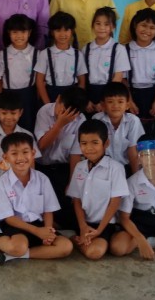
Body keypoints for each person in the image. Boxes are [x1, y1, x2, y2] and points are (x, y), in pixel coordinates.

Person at [0, 132, 73, 265]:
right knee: (18, 246)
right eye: (14, 153)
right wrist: (38, 232)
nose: (20, 158)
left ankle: (17, 255)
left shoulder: (43, 179)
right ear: (5, 157)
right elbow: (9, 218)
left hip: (38, 223)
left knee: (66, 247)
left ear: (33, 153)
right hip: (14, 225)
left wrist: (47, 232)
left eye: (25, 152)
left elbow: (48, 210)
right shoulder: (1, 183)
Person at [67, 119, 130, 260]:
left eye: (95, 143)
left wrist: (99, 230)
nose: (89, 148)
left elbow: (115, 202)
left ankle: (82, 241)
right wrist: (83, 226)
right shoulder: (79, 167)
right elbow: (76, 199)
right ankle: (78, 239)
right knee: (93, 251)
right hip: (83, 223)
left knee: (95, 253)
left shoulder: (116, 168)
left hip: (104, 225)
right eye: (84, 143)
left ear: (106, 143)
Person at [35, 86, 88, 229]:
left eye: (71, 114)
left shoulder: (81, 120)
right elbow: (42, 145)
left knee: (68, 205)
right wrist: (59, 124)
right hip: (43, 168)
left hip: (64, 168)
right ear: (58, 99)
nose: (64, 115)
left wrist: (72, 183)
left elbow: (75, 155)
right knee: (44, 205)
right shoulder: (44, 112)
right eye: (63, 110)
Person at [124, 8, 155, 133]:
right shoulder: (125, 49)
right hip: (132, 96)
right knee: (133, 132)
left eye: (152, 27)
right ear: (135, 25)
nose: (147, 30)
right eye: (143, 25)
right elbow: (123, 79)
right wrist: (129, 101)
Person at [80, 82, 144, 175]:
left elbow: (133, 151)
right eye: (110, 102)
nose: (115, 106)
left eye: (120, 102)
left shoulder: (133, 121)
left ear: (127, 105)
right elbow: (95, 149)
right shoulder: (97, 119)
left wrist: (136, 176)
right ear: (103, 105)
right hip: (102, 167)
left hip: (126, 167)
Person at [0, 91, 42, 189]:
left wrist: (28, 185)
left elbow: (31, 162)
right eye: (4, 113)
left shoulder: (27, 135)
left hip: (23, 185)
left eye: (13, 113)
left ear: (20, 113)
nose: (9, 117)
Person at [34, 11, 87, 104]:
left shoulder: (78, 55)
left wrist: (77, 101)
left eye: (66, 30)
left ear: (72, 31)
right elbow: (39, 81)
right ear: (52, 32)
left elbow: (82, 81)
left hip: (72, 98)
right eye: (58, 30)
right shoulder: (45, 54)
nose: (62, 34)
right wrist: (48, 104)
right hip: (50, 96)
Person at [84, 7, 130, 112]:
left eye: (106, 24)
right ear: (93, 25)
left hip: (109, 96)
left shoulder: (119, 49)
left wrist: (104, 101)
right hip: (89, 98)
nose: (102, 28)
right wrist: (85, 100)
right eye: (98, 23)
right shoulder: (86, 48)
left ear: (113, 27)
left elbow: (118, 77)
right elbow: (83, 78)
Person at [0, 14, 39, 131]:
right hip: (8, 97)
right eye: (15, 32)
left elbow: (40, 81)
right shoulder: (2, 54)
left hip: (29, 97)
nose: (19, 36)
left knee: (28, 128)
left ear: (29, 32)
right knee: (9, 128)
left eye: (23, 32)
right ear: (9, 33)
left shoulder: (37, 54)